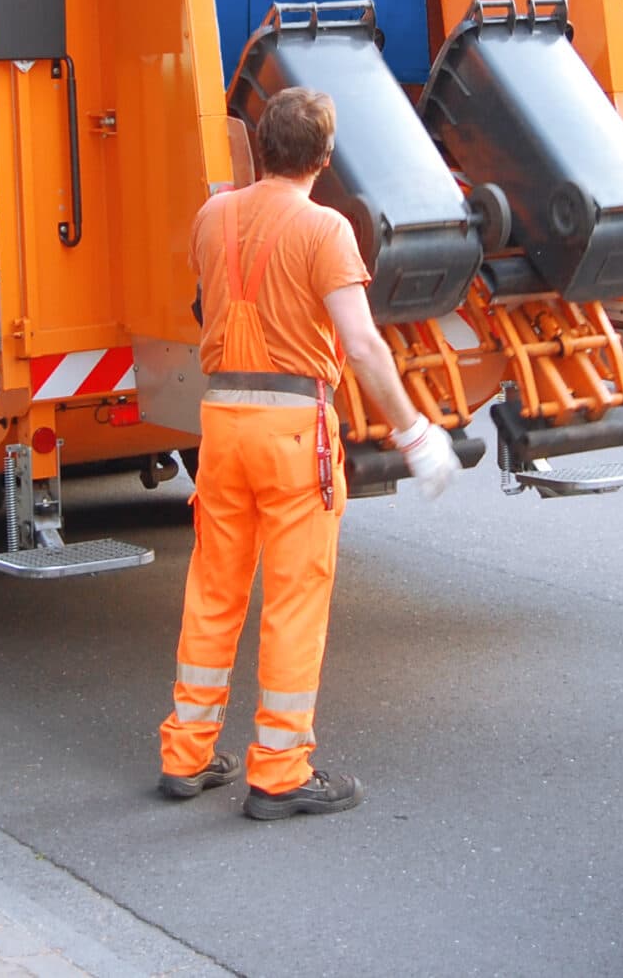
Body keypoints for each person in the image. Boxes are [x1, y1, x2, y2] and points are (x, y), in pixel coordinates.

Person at [156, 86, 461, 820]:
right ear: (325, 158)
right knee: (293, 599)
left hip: (222, 422)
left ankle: (185, 755)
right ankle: (280, 771)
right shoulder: (326, 230)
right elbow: (360, 343)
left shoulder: (212, 216)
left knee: (214, 591)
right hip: (294, 430)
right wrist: (413, 432)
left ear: (260, 146)